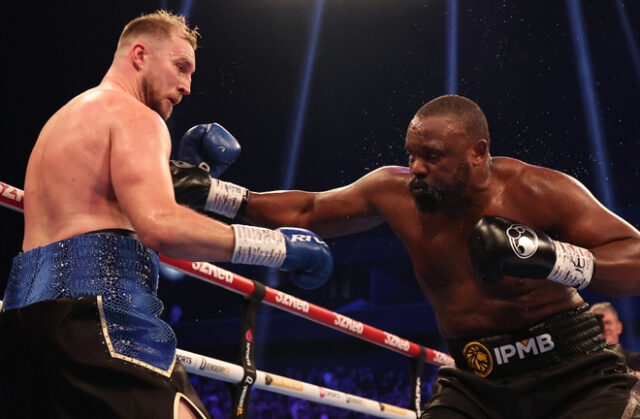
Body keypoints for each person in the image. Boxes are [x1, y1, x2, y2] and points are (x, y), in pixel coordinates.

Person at [171, 94, 640, 418]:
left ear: (477, 153)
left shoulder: (536, 191)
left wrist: (553, 259)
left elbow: (633, 255)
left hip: (573, 373)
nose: (417, 168)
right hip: (478, 382)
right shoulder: (395, 192)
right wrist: (218, 194)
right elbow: (310, 208)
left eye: (432, 156)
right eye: (411, 154)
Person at [0, 10, 332, 419]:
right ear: (139, 55)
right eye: (180, 67)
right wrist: (276, 247)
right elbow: (161, 227)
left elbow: (115, 229)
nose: (188, 86)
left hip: (23, 313)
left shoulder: (64, 120)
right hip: (99, 309)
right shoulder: (136, 117)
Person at [590, 302, 640, 374]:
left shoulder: (637, 361)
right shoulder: (584, 365)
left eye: (608, 323)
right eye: (599, 324)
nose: (605, 328)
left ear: (619, 327)